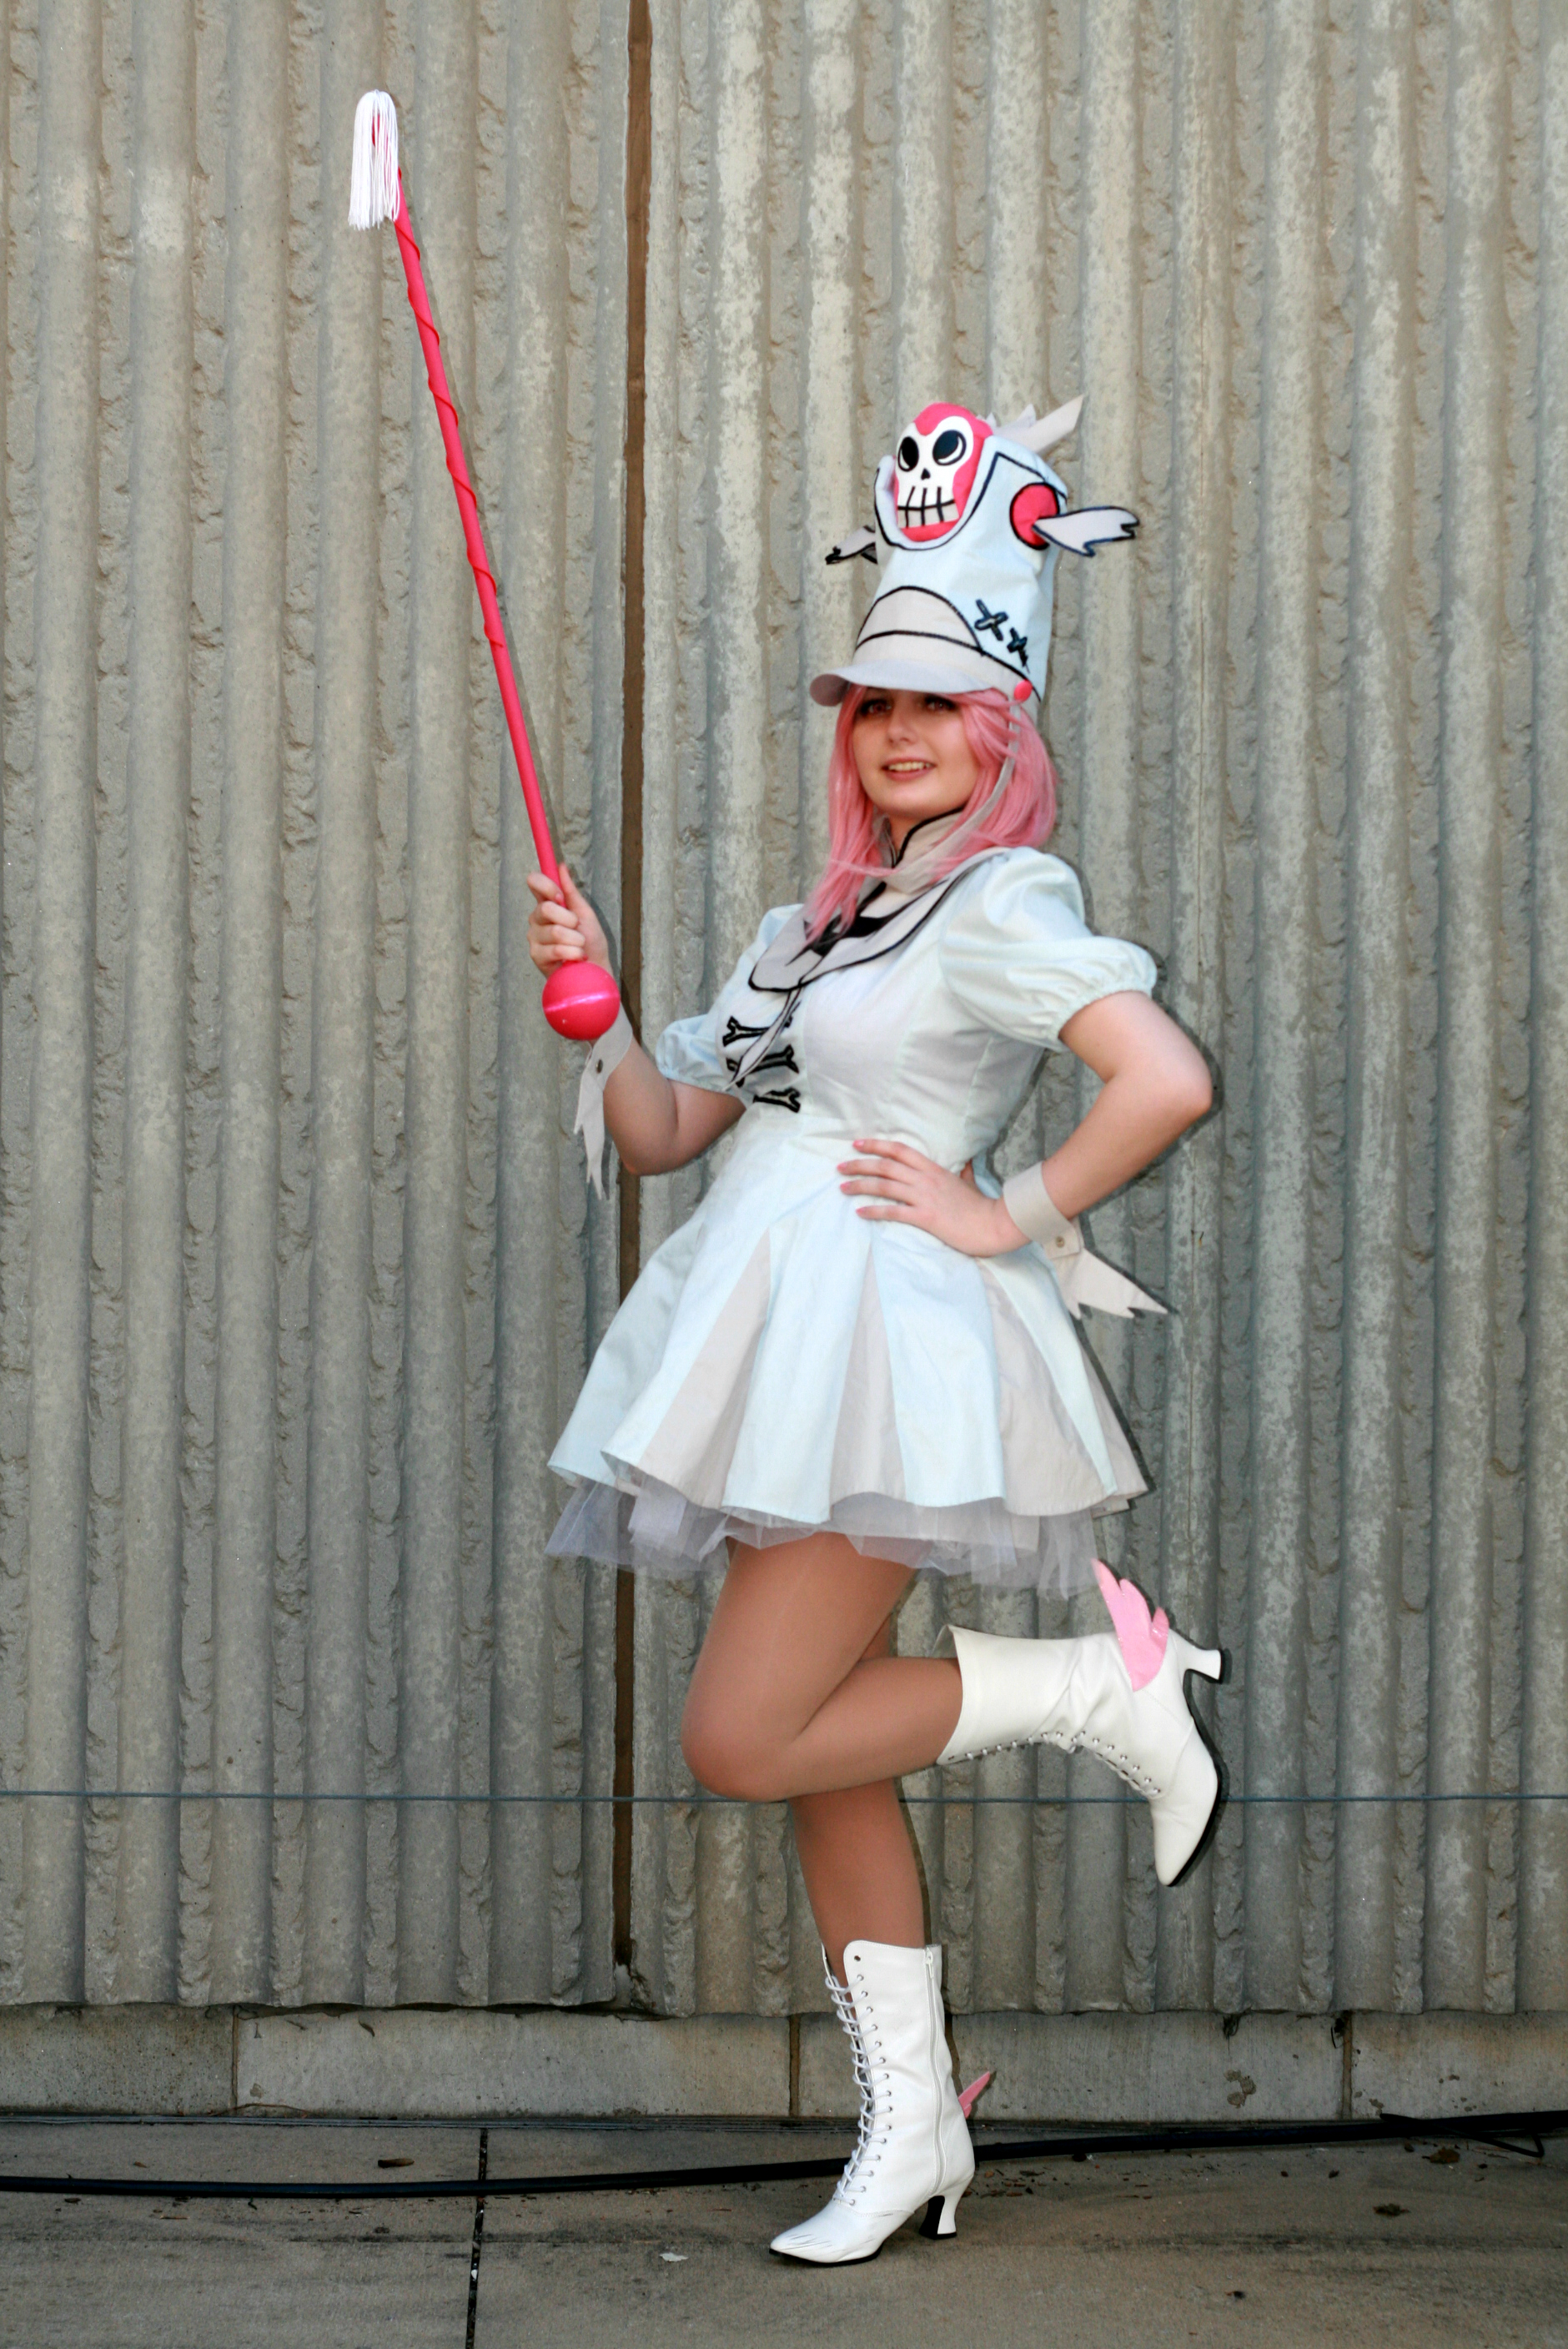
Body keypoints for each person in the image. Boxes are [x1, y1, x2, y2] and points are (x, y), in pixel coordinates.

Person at [527, 399, 1219, 2266]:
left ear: (1004, 729)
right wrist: (593, 1000)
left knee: (742, 1734)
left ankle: (1099, 1692)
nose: (899, 731)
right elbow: (670, 1133)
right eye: (872, 705)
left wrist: (1009, 1208)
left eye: (939, 705)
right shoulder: (815, 924)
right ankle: (911, 2132)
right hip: (781, 1364)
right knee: (823, 1750)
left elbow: (1159, 1077)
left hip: (888, 1357)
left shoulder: (1000, 903)